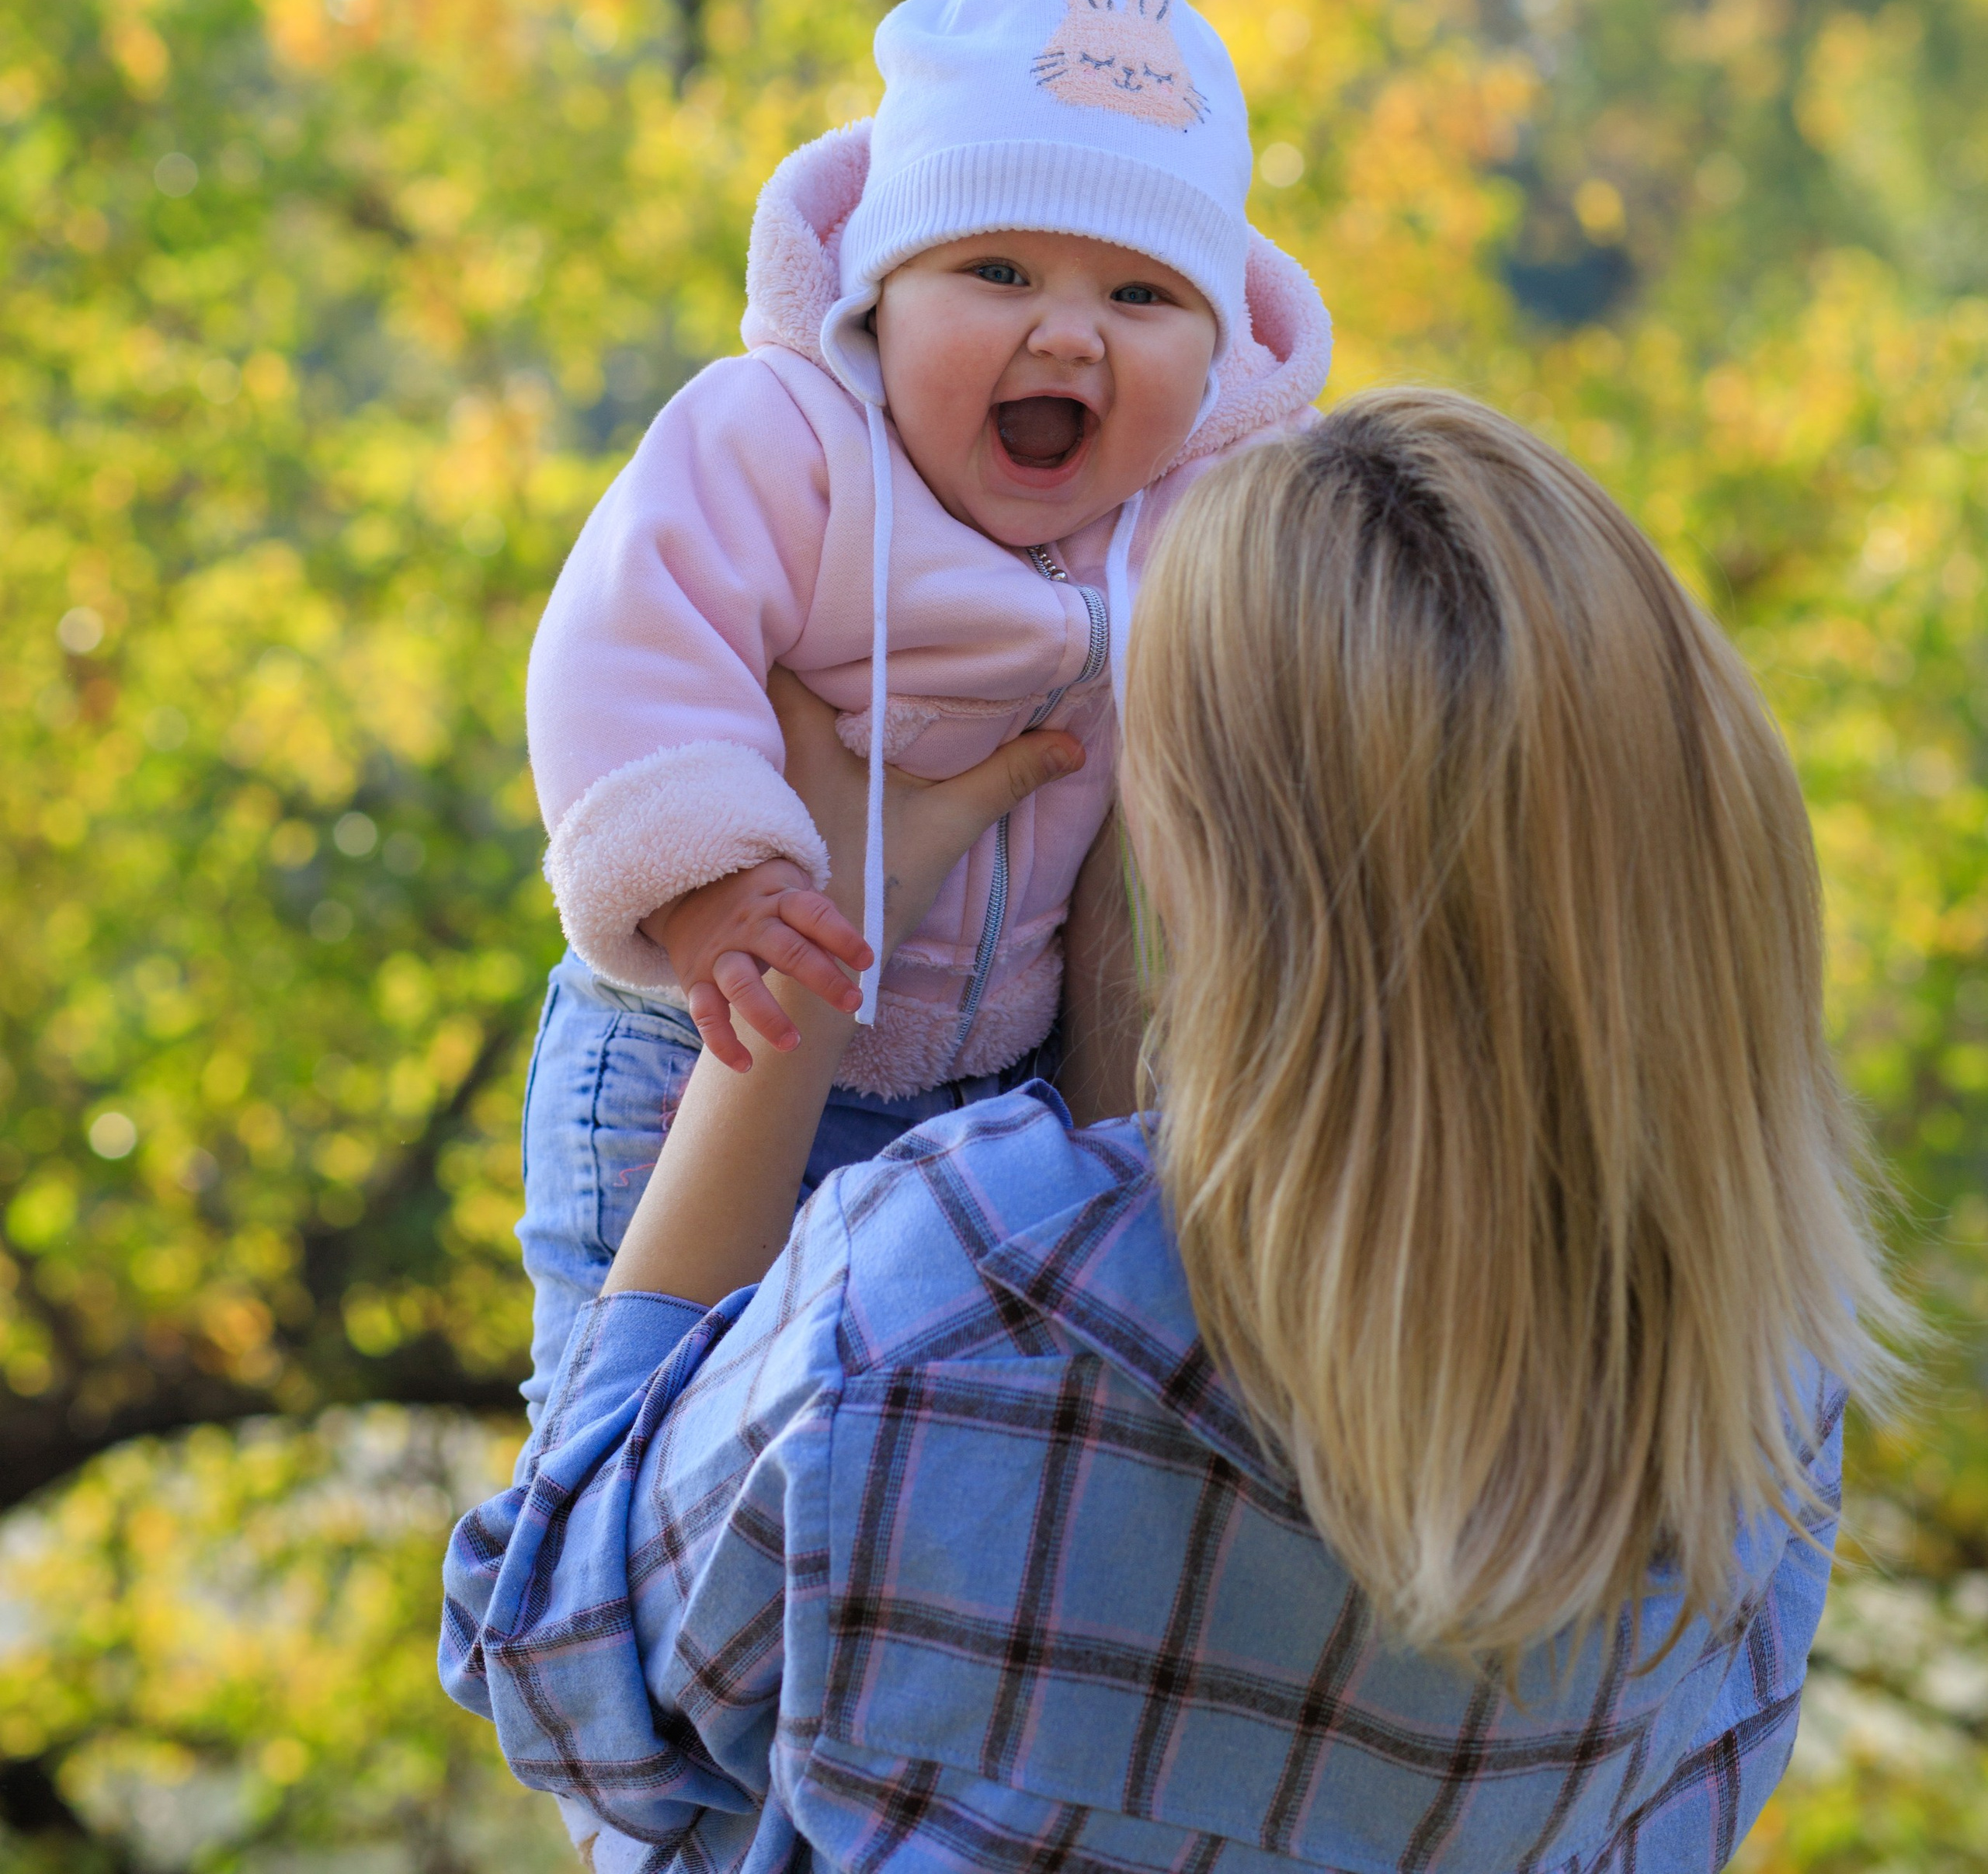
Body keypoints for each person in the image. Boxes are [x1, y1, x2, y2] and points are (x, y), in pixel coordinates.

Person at [443, 390, 1898, 1872]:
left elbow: (559, 1670)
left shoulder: (974, 1281)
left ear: (1221, 866)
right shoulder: (1762, 1395)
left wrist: (803, 975)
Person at [515, 0, 1330, 1415]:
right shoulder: (789, 439)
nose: (1071, 336)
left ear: (1217, 350)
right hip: (709, 1031)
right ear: (881, 296)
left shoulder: (1193, 522)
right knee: (631, 1430)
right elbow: (632, 639)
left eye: (1142, 297)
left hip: (987, 1087)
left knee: (883, 1437)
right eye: (1001, 269)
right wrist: (720, 885)